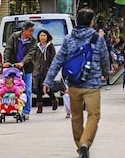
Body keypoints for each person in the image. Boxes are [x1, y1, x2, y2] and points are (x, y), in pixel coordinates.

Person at [42, 8, 109, 158]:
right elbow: (105, 59)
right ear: (91, 22)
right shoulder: (98, 38)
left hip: (74, 84)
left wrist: (48, 80)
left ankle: (80, 147)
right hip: (92, 85)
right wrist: (105, 73)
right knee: (94, 115)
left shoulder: (68, 39)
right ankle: (85, 143)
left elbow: (58, 60)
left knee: (76, 116)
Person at [2, 20, 38, 119]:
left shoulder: (33, 40)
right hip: (14, 69)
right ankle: (15, 108)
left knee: (27, 90)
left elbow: (30, 54)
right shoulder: (14, 37)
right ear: (24, 30)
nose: (31, 33)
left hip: (27, 68)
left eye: (33, 31)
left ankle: (26, 112)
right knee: (13, 89)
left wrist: (22, 63)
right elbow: (8, 49)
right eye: (30, 31)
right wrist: (6, 61)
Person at [32, 29, 57, 113]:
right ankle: (39, 107)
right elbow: (33, 57)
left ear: (47, 36)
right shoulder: (36, 46)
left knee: (47, 88)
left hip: (47, 70)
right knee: (38, 88)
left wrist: (52, 68)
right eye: (41, 35)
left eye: (44, 35)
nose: (42, 37)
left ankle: (54, 100)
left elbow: (54, 58)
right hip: (38, 70)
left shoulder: (50, 46)